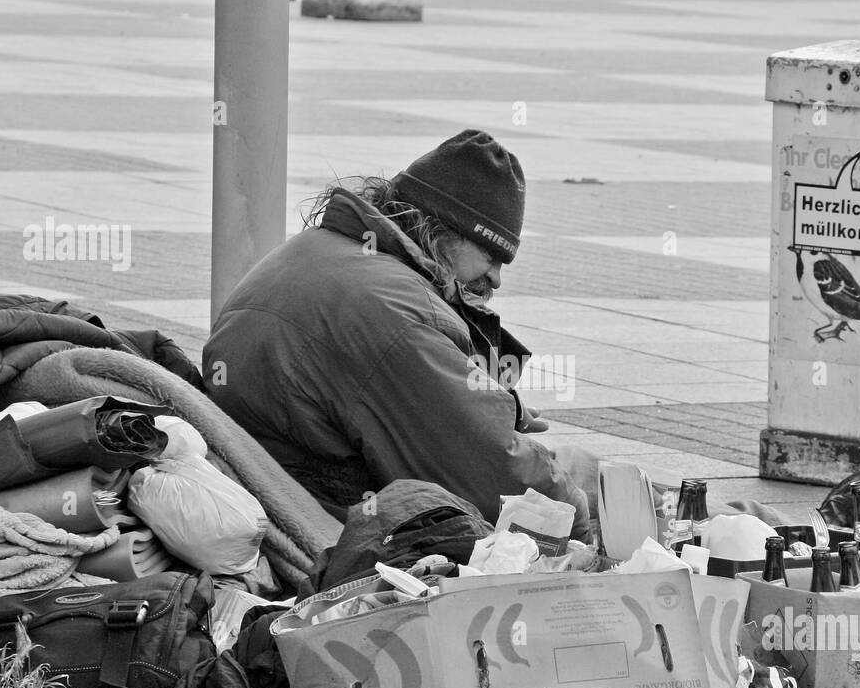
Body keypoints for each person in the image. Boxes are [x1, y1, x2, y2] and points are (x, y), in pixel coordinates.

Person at [203, 130, 595, 541]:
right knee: (580, 483)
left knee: (571, 471)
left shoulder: (324, 247)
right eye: (491, 255)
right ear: (443, 232)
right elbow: (488, 473)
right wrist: (577, 523)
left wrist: (494, 406)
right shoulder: (394, 312)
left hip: (273, 475)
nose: (496, 277)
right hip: (321, 514)